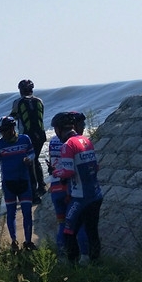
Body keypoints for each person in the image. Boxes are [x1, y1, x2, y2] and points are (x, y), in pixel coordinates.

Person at [51, 111, 102, 264]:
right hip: (96, 194)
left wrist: (55, 171)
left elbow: (68, 172)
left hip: (80, 198)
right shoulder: (86, 141)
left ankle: (72, 267)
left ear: (59, 129)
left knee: (68, 231)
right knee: (92, 231)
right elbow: (95, 166)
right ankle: (94, 263)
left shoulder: (67, 145)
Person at [47, 112, 89, 257]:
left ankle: (62, 257)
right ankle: (84, 256)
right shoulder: (74, 142)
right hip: (69, 188)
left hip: (55, 187)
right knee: (81, 223)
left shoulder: (53, 141)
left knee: (62, 224)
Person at [0, 115, 36, 249]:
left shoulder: (25, 139)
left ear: (12, 128)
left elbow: (32, 153)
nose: (3, 133)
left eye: (5, 130)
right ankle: (14, 241)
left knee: (27, 212)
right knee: (11, 213)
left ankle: (28, 242)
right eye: (1, 131)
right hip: (8, 183)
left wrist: (29, 159)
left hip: (24, 181)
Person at [11, 80, 47, 199]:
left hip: (26, 136)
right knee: (35, 160)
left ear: (20, 90)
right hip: (41, 135)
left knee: (29, 163)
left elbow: (13, 117)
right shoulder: (39, 101)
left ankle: (33, 193)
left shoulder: (18, 102)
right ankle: (42, 187)